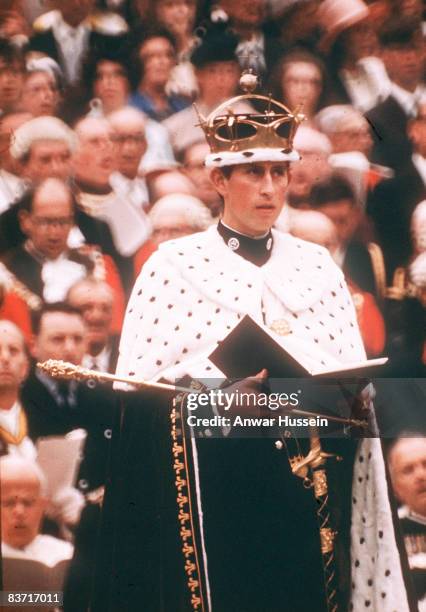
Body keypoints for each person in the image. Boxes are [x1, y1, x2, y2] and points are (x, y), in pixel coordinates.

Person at [94, 76, 411, 612]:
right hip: (214, 499)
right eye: (253, 173)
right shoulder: (172, 267)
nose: (269, 188)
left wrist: (341, 398)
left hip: (310, 496)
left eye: (278, 172)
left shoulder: (317, 266)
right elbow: (136, 406)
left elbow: (353, 396)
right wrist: (214, 402)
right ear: (219, 179)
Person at [388, 436, 426, 610]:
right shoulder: (388, 534)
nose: (420, 475)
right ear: (395, 488)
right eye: (408, 470)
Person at [67, 277, 119, 372]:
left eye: (105, 308)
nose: (97, 316)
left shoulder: (130, 360)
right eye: (86, 308)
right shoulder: (56, 364)